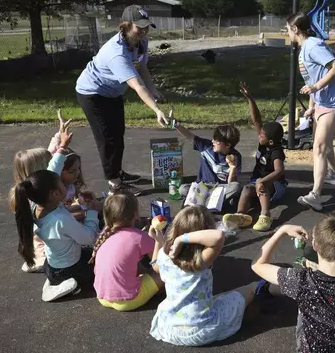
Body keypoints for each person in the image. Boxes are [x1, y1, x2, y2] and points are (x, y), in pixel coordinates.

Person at [251, 214, 335, 352]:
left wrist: (281, 231)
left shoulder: (301, 280)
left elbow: (257, 265)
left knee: (302, 307)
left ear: (315, 245)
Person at [75, 5, 170, 196]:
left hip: (112, 93)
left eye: (147, 26)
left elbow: (142, 67)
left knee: (118, 134)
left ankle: (118, 173)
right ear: (126, 25)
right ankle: (114, 184)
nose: (144, 31)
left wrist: (154, 89)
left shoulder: (139, 42)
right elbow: (137, 86)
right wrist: (156, 110)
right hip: (92, 93)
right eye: (139, 27)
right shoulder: (117, 53)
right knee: (107, 139)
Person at [150, 206, 256, 346]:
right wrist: (182, 239)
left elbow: (155, 266)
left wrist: (158, 241)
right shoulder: (200, 260)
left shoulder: (165, 256)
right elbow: (219, 236)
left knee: (214, 299)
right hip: (201, 330)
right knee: (248, 292)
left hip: (169, 328)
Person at [285, 12, 335, 211]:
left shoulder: (313, 45)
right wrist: (312, 106)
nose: (286, 33)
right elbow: (312, 79)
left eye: (287, 29)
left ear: (295, 29)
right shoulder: (304, 50)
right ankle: (334, 175)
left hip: (334, 102)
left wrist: (315, 88)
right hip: (322, 103)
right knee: (323, 143)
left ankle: (315, 195)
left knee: (319, 147)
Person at [13, 170, 100, 302]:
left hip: (52, 266)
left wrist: (81, 204)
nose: (65, 186)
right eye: (62, 184)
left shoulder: (36, 208)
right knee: (101, 262)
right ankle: (70, 286)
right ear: (56, 193)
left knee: (89, 253)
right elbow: (89, 237)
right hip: (70, 269)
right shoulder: (60, 220)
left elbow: (62, 210)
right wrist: (92, 212)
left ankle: (55, 281)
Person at [11, 113, 73, 273]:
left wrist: (59, 134)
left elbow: (51, 153)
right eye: (48, 162)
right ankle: (41, 260)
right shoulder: (35, 194)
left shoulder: (25, 187)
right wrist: (63, 148)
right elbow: (55, 165)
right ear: (39, 171)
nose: (52, 160)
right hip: (47, 243)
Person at [222, 84, 287, 232]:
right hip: (258, 183)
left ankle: (266, 215)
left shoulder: (276, 151)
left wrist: (262, 180)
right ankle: (240, 216)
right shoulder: (264, 144)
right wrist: (250, 99)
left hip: (276, 185)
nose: (258, 135)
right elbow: (256, 120)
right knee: (246, 189)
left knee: (259, 183)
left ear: (270, 141)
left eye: (261, 135)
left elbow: (279, 171)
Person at [90, 192, 164, 311]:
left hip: (102, 296)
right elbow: (159, 267)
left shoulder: (104, 233)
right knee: (163, 276)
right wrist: (159, 242)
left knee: (131, 260)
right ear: (135, 214)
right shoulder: (139, 237)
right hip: (128, 300)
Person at [172, 119, 243, 207]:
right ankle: (214, 203)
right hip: (202, 187)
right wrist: (176, 124)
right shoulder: (206, 146)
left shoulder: (236, 157)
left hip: (219, 189)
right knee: (182, 189)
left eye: (216, 140)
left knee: (235, 187)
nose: (212, 141)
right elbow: (189, 136)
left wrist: (232, 168)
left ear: (228, 145)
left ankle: (202, 202)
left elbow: (231, 184)